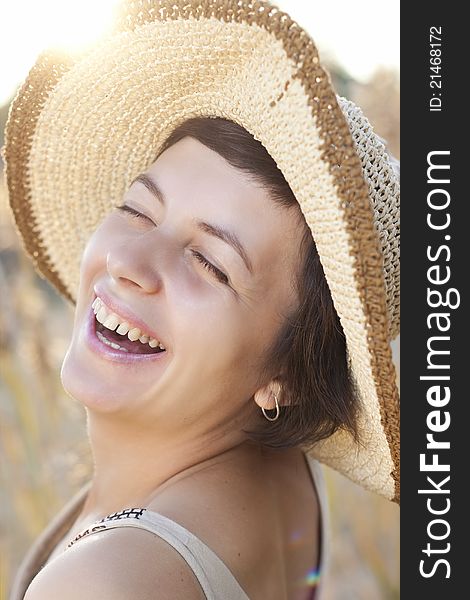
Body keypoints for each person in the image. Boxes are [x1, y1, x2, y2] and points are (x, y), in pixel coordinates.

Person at [3, 1, 400, 598]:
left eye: (210, 263)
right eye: (137, 210)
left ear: (285, 372)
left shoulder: (104, 581)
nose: (129, 264)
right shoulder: (282, 477)